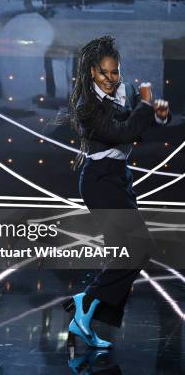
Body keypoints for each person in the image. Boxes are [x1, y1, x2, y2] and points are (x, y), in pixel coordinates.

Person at [63, 35, 170, 351]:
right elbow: (123, 131)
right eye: (104, 73)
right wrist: (147, 106)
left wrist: (159, 113)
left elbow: (143, 122)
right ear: (91, 72)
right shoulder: (87, 107)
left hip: (120, 177)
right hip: (99, 181)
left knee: (124, 253)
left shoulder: (127, 91)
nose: (110, 79)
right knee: (138, 246)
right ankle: (88, 300)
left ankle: (85, 317)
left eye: (115, 72)